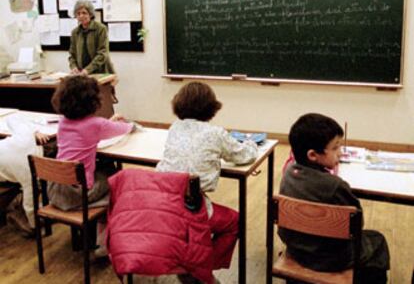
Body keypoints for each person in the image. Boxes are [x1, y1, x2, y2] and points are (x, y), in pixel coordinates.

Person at [156, 82, 258, 283]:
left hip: (162, 204)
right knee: (234, 222)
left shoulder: (174, 128)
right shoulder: (215, 133)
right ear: (211, 107)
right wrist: (252, 143)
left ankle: (192, 266)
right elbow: (243, 155)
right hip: (190, 207)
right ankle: (200, 270)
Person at [278, 113, 390, 284]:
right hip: (330, 258)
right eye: (335, 148)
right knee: (377, 240)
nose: (341, 152)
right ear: (313, 155)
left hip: (296, 250)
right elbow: (356, 226)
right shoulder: (335, 186)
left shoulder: (288, 173)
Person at [49, 75, 135, 255]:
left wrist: (108, 123)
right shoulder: (96, 124)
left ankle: (91, 236)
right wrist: (122, 122)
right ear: (93, 101)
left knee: (105, 171)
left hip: (56, 189)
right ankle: (103, 241)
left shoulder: (63, 122)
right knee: (117, 181)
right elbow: (127, 128)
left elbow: (94, 129)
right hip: (78, 195)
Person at [0, 114, 50, 237]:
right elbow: (30, 204)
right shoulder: (29, 174)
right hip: (5, 173)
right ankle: (14, 212)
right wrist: (34, 226)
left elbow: (12, 118)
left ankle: (16, 208)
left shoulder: (26, 133)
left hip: (7, 161)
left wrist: (35, 131)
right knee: (30, 229)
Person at [68, 0, 114, 76]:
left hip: (100, 71)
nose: (81, 16)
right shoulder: (75, 32)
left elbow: (103, 53)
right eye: (78, 13)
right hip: (82, 74)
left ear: (90, 14)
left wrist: (88, 70)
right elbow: (72, 55)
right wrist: (74, 67)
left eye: (84, 13)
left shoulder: (101, 29)